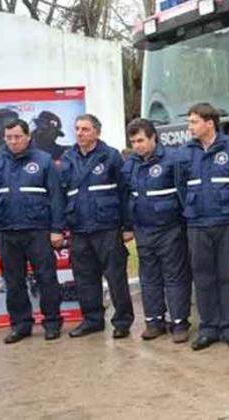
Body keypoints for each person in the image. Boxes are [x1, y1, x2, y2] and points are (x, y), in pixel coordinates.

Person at [0, 118, 64, 343]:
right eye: (9, 138)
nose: (13, 141)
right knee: (13, 280)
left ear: (28, 137)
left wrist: (57, 229)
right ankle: (21, 325)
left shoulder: (44, 161)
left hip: (38, 230)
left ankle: (52, 322)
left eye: (18, 137)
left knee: (46, 278)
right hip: (8, 231)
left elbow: (57, 197)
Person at [176, 103, 229, 351]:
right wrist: (193, 211)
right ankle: (208, 328)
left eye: (193, 122)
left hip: (227, 222)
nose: (190, 127)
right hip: (197, 224)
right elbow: (182, 189)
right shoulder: (184, 153)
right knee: (203, 278)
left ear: (209, 122)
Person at [59, 114, 134, 339]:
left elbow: (124, 192)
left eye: (85, 129)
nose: (80, 133)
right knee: (84, 278)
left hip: (107, 226)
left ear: (97, 132)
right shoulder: (67, 158)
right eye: (78, 129)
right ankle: (92, 320)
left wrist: (127, 225)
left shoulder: (110, 156)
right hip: (79, 228)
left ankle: (122, 321)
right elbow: (62, 194)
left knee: (116, 277)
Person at [122, 118, 192, 343]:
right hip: (143, 229)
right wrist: (128, 225)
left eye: (141, 140)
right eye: (133, 142)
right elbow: (126, 196)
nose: (137, 146)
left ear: (154, 138)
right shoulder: (130, 164)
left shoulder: (173, 159)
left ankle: (179, 323)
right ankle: (154, 321)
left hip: (170, 229)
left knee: (174, 277)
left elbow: (184, 192)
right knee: (149, 278)